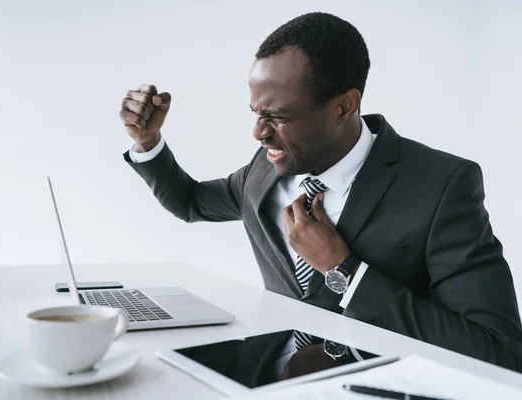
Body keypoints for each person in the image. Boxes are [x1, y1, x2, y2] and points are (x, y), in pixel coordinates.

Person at [119, 12, 522, 371]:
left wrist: (345, 271)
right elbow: (190, 203)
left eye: (277, 116)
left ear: (345, 107)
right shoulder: (267, 167)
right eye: (257, 112)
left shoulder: (442, 185)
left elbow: (498, 351)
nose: (258, 133)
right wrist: (148, 141)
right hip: (265, 379)